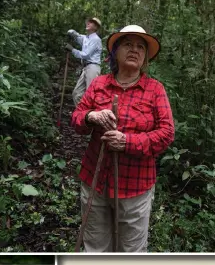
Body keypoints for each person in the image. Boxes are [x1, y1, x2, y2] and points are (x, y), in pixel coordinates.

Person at [71, 25, 175, 252]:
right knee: (95, 248)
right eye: (128, 44)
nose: (134, 50)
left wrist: (128, 142)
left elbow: (167, 133)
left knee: (131, 252)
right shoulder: (99, 84)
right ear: (115, 52)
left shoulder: (155, 89)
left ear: (145, 57)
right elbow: (76, 120)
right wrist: (92, 116)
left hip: (135, 188)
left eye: (140, 47)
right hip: (95, 181)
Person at [66, 17, 102, 106]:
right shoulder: (86, 38)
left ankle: (91, 118)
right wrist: (71, 33)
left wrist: (72, 49)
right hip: (86, 68)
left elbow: (86, 54)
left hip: (93, 68)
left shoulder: (96, 39)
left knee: (91, 95)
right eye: (88, 22)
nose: (88, 23)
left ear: (96, 27)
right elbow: (76, 35)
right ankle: (82, 116)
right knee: (76, 94)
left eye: (91, 22)